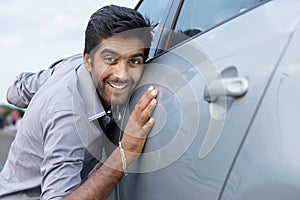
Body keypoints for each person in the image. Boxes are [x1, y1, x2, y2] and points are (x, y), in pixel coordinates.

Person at [0, 5, 158, 200]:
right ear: (88, 60)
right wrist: (124, 153)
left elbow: (15, 93)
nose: (122, 75)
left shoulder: (71, 65)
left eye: (134, 61)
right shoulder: (68, 118)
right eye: (110, 59)